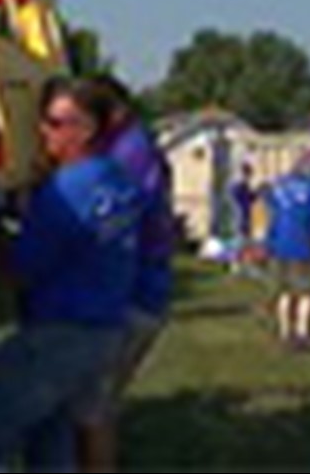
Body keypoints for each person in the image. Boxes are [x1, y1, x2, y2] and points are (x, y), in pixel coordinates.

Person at [0, 78, 142, 472]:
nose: (43, 131)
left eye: (55, 123)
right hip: (105, 329)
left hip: (59, 332)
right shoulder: (120, 182)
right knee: (50, 438)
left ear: (86, 130)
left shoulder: (64, 191)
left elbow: (24, 269)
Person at [75, 74, 175, 472]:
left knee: (92, 406)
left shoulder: (128, 157)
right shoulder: (131, 147)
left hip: (131, 297)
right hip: (141, 290)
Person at [264, 150, 310, 349]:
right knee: (306, 293)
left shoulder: (279, 185)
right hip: (303, 245)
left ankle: (285, 332)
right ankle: (302, 333)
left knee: (284, 291)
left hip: (277, 244)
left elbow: (270, 207)